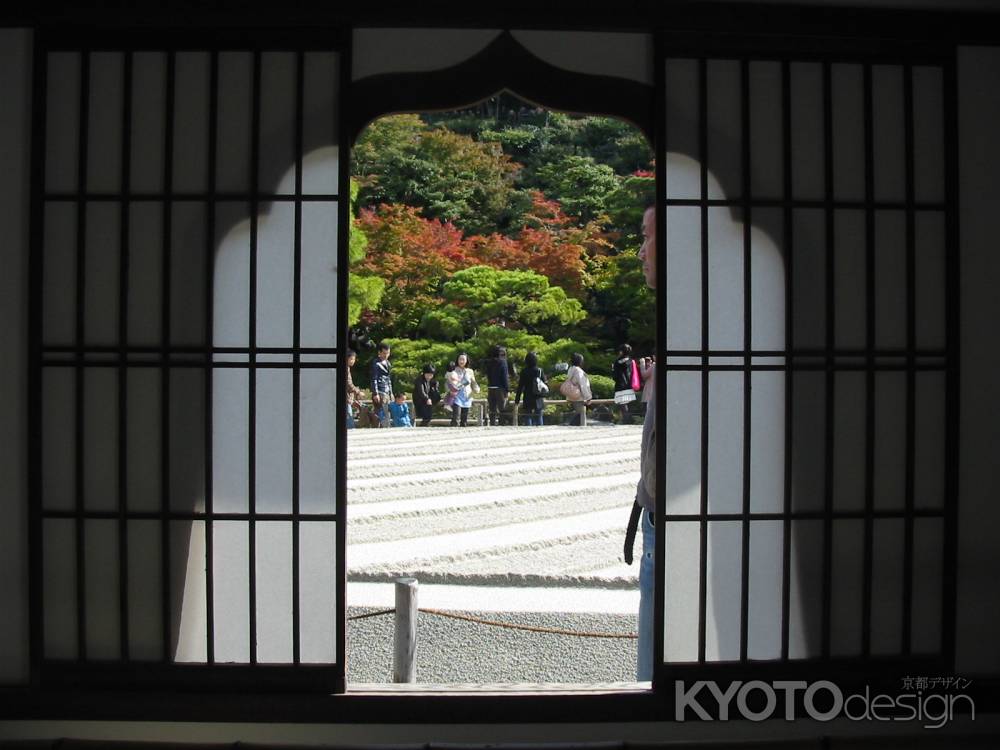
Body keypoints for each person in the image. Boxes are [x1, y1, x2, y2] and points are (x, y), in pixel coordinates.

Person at [625, 205, 658, 682]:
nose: (641, 250)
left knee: (660, 680)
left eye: (648, 237)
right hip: (659, 512)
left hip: (680, 520)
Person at [514, 351, 547, 426]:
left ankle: (528, 431)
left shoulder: (524, 371)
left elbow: (520, 386)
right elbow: (544, 383)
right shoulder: (539, 370)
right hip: (538, 396)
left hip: (527, 396)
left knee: (527, 416)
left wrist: (517, 400)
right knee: (538, 416)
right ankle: (540, 432)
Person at [483, 344, 512, 426]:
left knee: (492, 408)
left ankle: (492, 423)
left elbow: (488, 375)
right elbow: (504, 377)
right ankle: (501, 423)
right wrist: (507, 389)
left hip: (491, 387)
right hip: (500, 388)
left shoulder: (489, 362)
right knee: (502, 408)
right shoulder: (503, 362)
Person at [562, 352, 593, 426]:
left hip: (571, 395)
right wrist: (588, 397)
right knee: (582, 414)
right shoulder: (579, 371)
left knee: (577, 413)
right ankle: (581, 429)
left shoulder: (570, 370)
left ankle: (573, 425)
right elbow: (583, 385)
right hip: (579, 396)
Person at [449, 352, 479, 427]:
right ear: (457, 360)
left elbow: (473, 382)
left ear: (466, 361)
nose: (461, 361)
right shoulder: (454, 370)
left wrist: (476, 388)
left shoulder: (470, 371)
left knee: (464, 419)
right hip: (457, 396)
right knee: (456, 417)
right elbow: (454, 385)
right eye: (460, 359)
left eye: (463, 359)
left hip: (467, 397)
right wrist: (464, 383)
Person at [611, 343, 637, 424]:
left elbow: (615, 376)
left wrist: (612, 369)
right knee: (628, 403)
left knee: (622, 404)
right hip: (629, 385)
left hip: (620, 385)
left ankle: (626, 420)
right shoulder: (631, 361)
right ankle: (629, 420)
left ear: (621, 352)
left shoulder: (617, 362)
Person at [370, 342, 393, 428]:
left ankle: (385, 428)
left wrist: (391, 392)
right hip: (379, 390)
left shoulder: (388, 363)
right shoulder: (376, 364)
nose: (386, 355)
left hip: (387, 390)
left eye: (388, 353)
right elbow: (374, 379)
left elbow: (389, 379)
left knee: (387, 413)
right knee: (380, 413)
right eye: (384, 353)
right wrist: (375, 393)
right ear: (379, 352)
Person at [345, 349, 365, 429]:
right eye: (351, 359)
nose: (353, 361)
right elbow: (349, 384)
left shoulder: (347, 368)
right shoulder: (346, 369)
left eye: (354, 359)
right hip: (346, 399)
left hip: (348, 398)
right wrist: (358, 392)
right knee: (349, 420)